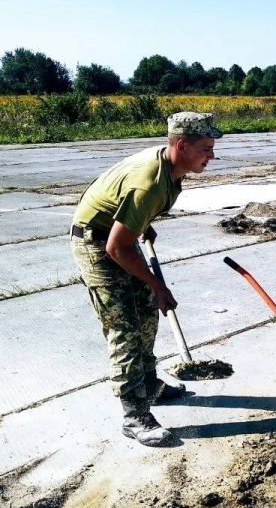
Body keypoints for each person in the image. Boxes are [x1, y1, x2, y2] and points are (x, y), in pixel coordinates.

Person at [70, 112, 221, 446]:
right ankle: (134, 415)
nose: (212, 156)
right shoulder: (150, 182)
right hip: (99, 246)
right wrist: (157, 284)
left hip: (114, 234)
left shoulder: (171, 166)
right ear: (181, 145)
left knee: (146, 315)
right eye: (206, 149)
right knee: (125, 327)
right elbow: (117, 247)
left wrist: (137, 221)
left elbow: (116, 199)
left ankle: (149, 384)